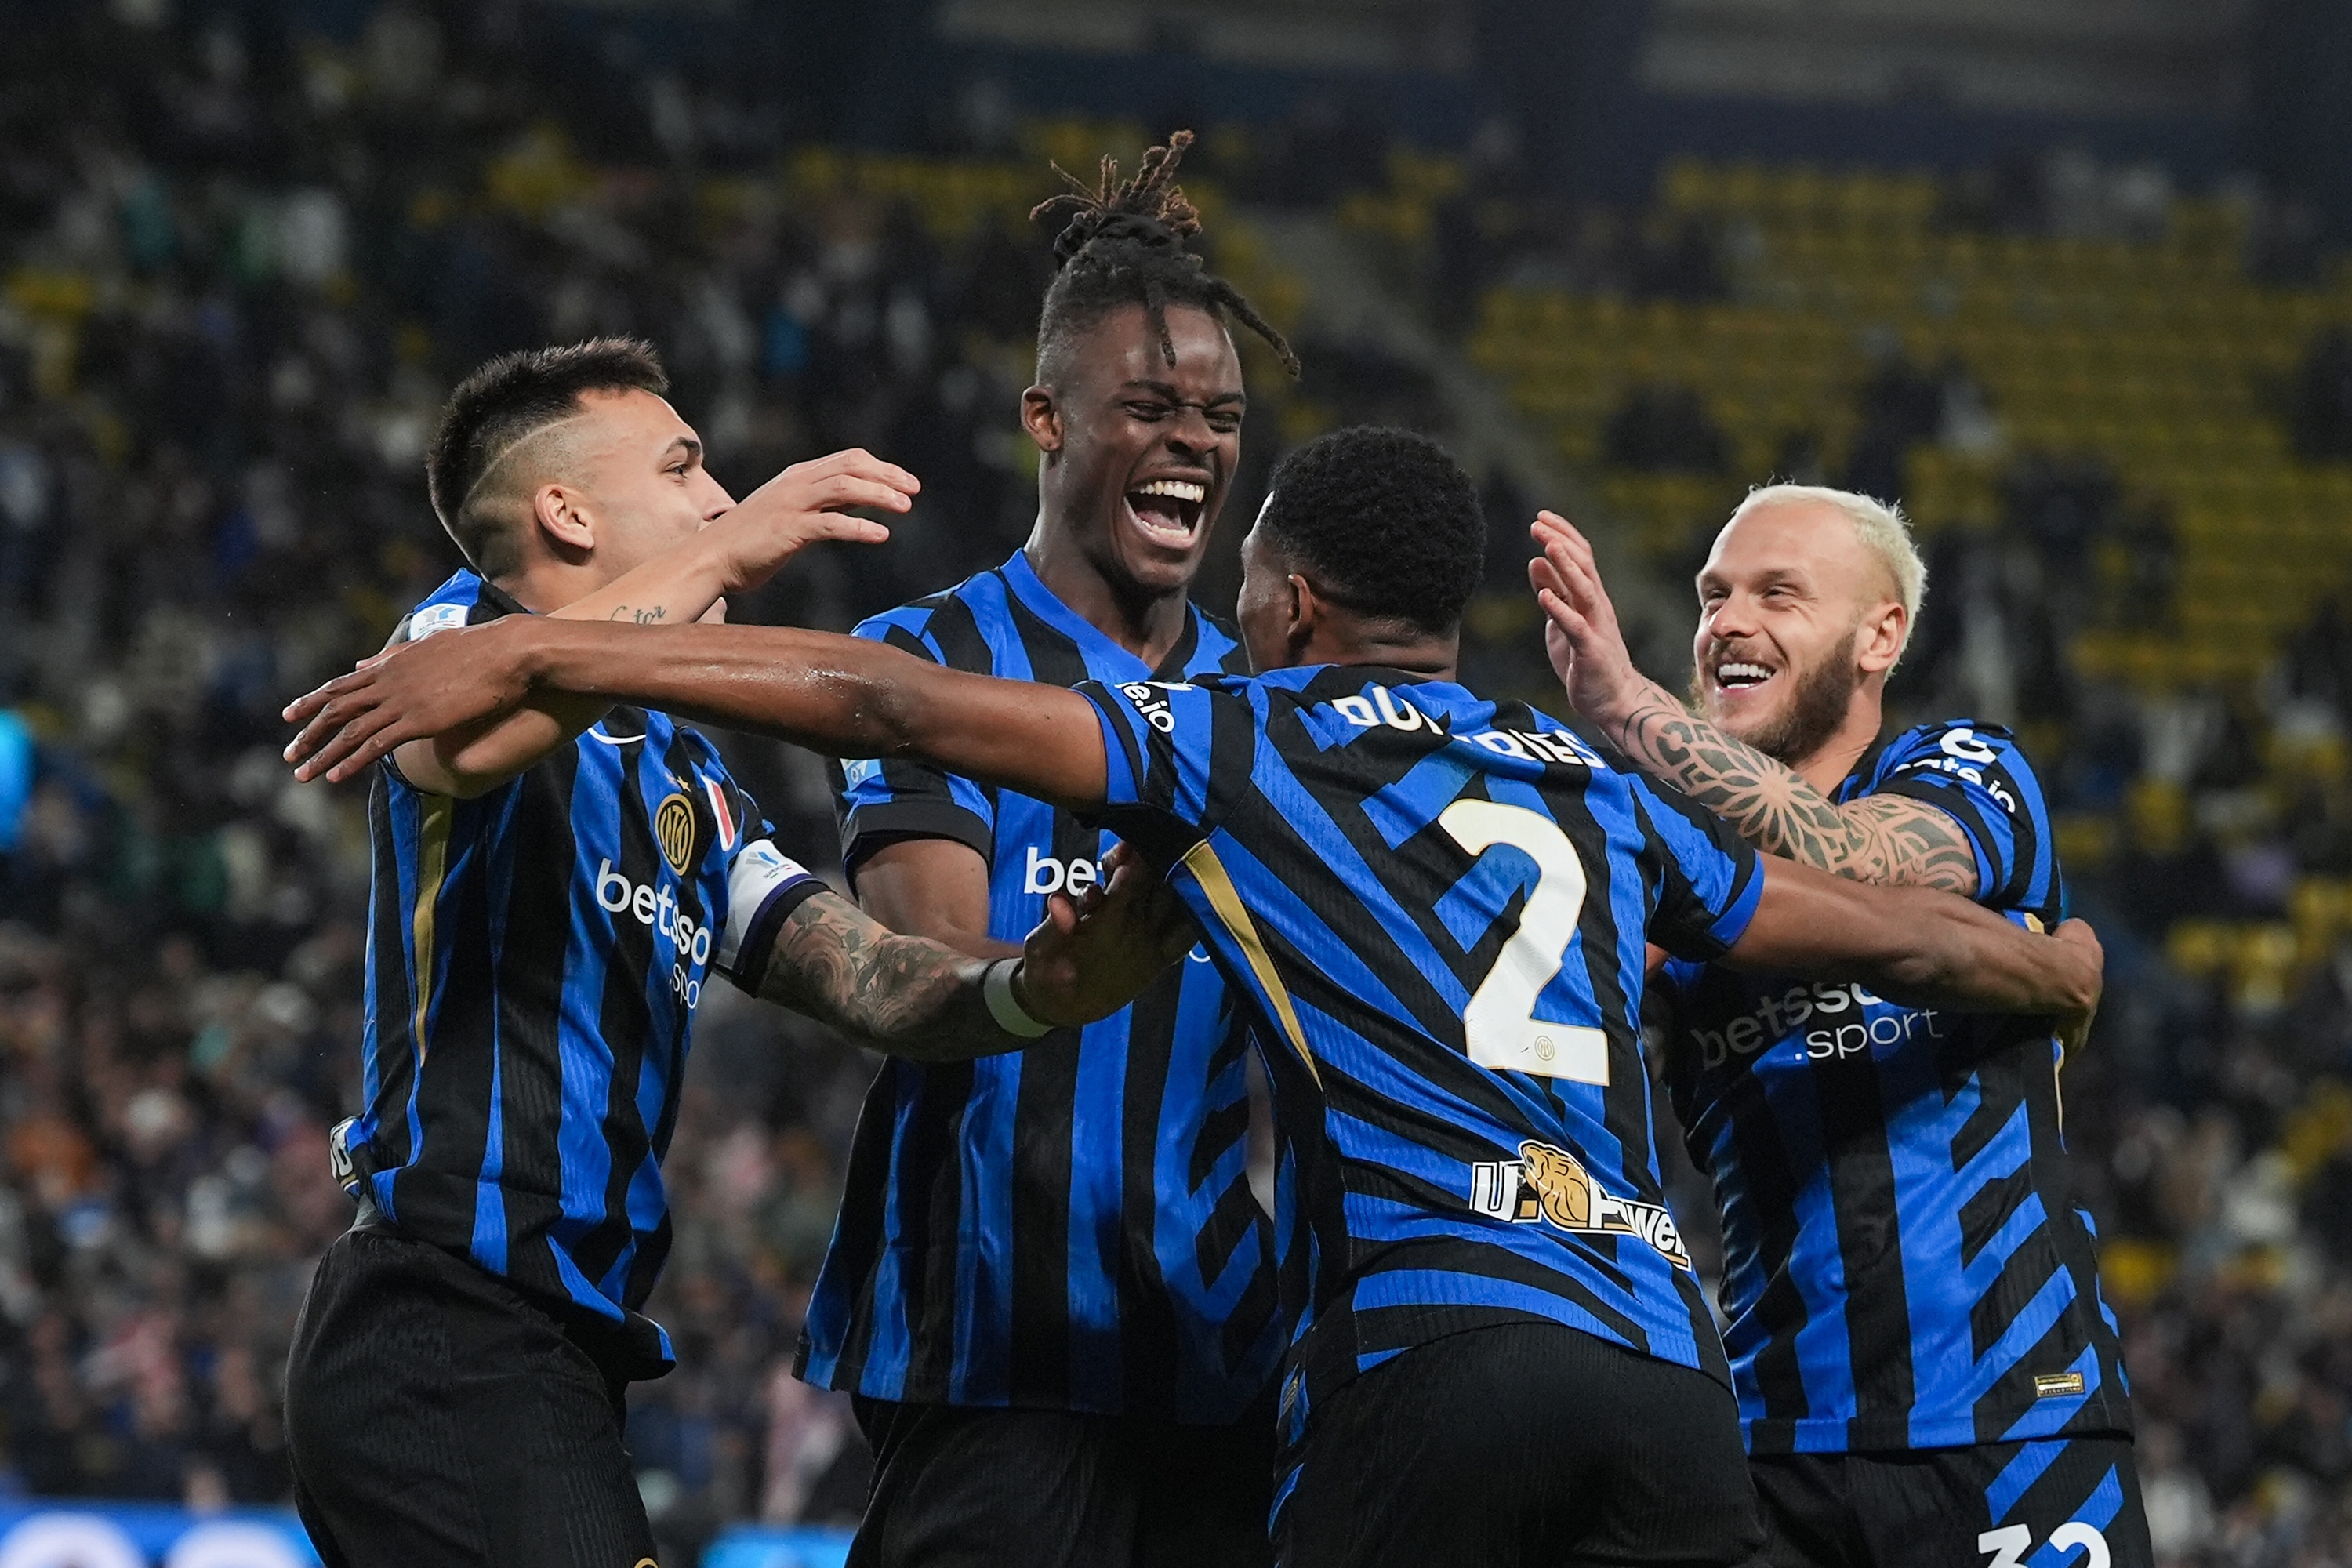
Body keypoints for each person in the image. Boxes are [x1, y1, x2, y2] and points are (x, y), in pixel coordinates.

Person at [281, 426, 2106, 1568]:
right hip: (1666, 1363)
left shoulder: (1249, 735)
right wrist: (2051, 964)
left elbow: (891, 705)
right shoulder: (1587, 785)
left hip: (1436, 1340)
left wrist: (550, 639)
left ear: (1294, 600)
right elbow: (1856, 924)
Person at [276, 338, 1188, 1568]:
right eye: (684, 467)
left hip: (557, 1353)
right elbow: (462, 743)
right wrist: (737, 544)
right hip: (439, 1322)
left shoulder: (689, 780)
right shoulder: (467, 627)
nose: (718, 498)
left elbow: (862, 978)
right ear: (564, 511)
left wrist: (1035, 986)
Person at [802, 132, 1301, 1568]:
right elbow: (921, 959)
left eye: (1219, 415)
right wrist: (1045, 976)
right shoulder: (928, 657)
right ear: (1046, 418)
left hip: (1215, 1349)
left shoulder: (1260, 708)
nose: (1194, 442)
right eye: (1148, 406)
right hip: (992, 1335)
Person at [1529, 487, 2150, 1568]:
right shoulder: (1657, 865)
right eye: (1713, 596)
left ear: (1882, 635)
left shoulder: (1969, 772)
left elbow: (1851, 861)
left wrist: (1627, 704)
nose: (1727, 623)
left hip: (2016, 1421)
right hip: (1774, 1448)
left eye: (1778, 593)